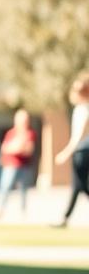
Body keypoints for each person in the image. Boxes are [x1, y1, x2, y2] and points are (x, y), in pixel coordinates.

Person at [52, 73, 89, 227]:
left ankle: (65, 219)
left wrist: (66, 153)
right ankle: (65, 218)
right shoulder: (80, 109)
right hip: (81, 150)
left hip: (82, 151)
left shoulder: (84, 110)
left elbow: (78, 136)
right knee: (78, 186)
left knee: (80, 185)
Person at [0, 109, 37, 219]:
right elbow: (5, 148)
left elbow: (28, 150)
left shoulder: (30, 133)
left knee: (23, 190)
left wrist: (17, 147)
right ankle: (0, 209)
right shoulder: (11, 133)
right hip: (10, 165)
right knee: (5, 187)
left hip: (24, 166)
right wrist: (17, 147)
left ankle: (23, 211)